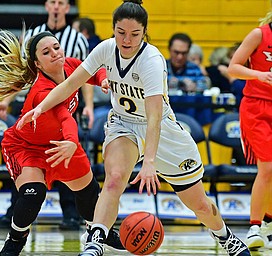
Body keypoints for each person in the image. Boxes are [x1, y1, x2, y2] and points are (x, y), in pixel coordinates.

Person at [17, 1, 251, 255]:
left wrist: (149, 161)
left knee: (200, 205)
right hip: (123, 124)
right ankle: (96, 241)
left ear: (144, 33)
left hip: (160, 128)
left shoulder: (151, 60)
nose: (126, 40)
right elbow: (70, 83)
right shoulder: (106, 49)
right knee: (114, 180)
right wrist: (41, 108)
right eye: (120, 32)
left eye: (134, 34)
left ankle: (225, 236)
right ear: (113, 29)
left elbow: (153, 117)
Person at [0, 30, 124, 255]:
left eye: (56, 47)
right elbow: (65, 116)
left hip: (59, 143)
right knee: (33, 193)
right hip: (27, 147)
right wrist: (72, 141)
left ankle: (98, 230)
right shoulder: (42, 91)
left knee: (89, 191)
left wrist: (103, 79)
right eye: (46, 52)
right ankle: (15, 239)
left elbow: (93, 69)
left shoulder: (70, 65)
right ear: (38, 64)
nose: (54, 53)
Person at [0, 0, 91, 231]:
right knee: (32, 177)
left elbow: (86, 73)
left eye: (61, 3)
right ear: (47, 6)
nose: (56, 7)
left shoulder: (77, 40)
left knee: (67, 158)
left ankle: (71, 216)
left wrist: (90, 107)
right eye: (53, 2)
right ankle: (17, 216)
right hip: (39, 107)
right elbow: (24, 75)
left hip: (66, 104)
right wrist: (5, 100)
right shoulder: (33, 36)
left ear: (67, 8)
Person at [227, 5, 272, 250]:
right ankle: (255, 226)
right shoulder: (259, 34)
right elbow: (234, 67)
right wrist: (258, 76)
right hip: (256, 107)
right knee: (267, 167)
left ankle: (268, 222)